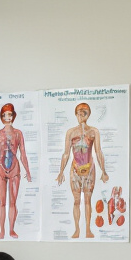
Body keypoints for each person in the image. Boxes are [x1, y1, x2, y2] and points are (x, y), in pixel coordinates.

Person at [55, 102, 109, 239]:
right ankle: (77, 229)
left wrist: (104, 171)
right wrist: (61, 172)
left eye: (83, 113)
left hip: (89, 168)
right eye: (78, 113)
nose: (80, 116)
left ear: (88, 115)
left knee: (88, 201)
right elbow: (66, 153)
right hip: (75, 169)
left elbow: (98, 152)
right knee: (77, 201)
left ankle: (88, 229)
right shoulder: (71, 132)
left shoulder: (94, 131)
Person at [0, 103, 32, 240]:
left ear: (13, 116)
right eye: (4, 115)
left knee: (13, 202)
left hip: (15, 168)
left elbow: (23, 153)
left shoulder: (18, 133)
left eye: (9, 114)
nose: (7, 117)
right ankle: (2, 231)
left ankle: (11, 230)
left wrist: (28, 170)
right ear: (1, 117)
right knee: (2, 202)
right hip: (0, 169)